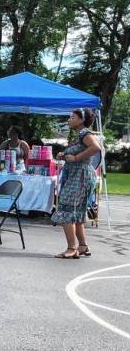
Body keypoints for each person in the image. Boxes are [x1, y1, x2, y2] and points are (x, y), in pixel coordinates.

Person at [52, 109, 101, 259]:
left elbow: (96, 148)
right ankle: (82, 246)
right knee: (76, 211)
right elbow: (76, 152)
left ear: (81, 120)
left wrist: (77, 157)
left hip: (80, 176)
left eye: (72, 117)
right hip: (77, 175)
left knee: (67, 207)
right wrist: (65, 155)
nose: (69, 120)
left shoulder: (85, 133)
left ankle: (71, 248)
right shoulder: (79, 135)